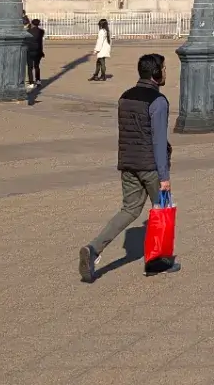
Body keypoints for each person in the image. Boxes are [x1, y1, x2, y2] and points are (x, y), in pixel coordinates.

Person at [80, 53, 173, 283]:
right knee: (163, 210)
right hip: (150, 165)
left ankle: (93, 249)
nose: (165, 72)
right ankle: (156, 262)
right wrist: (164, 176)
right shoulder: (158, 102)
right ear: (155, 73)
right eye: (164, 69)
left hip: (128, 162)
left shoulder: (125, 97)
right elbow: (158, 141)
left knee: (129, 210)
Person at [25, 18, 47, 87]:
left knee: (30, 67)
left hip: (29, 50)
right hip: (38, 51)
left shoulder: (28, 31)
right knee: (37, 66)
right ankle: (38, 81)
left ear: (32, 24)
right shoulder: (41, 31)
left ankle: (31, 82)